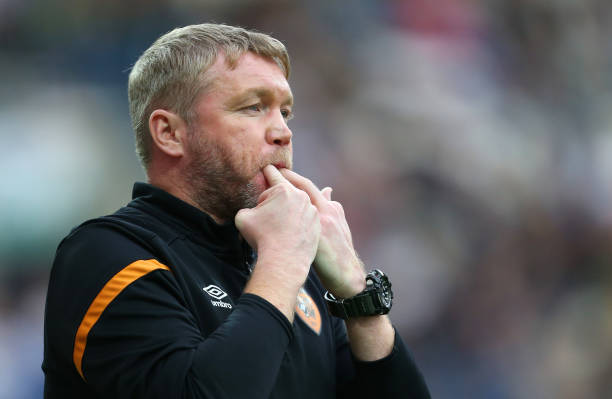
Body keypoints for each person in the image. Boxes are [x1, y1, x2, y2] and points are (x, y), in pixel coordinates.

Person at [42, 23, 430, 398]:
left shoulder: (298, 274)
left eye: (285, 112)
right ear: (169, 133)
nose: (283, 132)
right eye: (253, 107)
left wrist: (358, 299)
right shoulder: (108, 254)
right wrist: (280, 261)